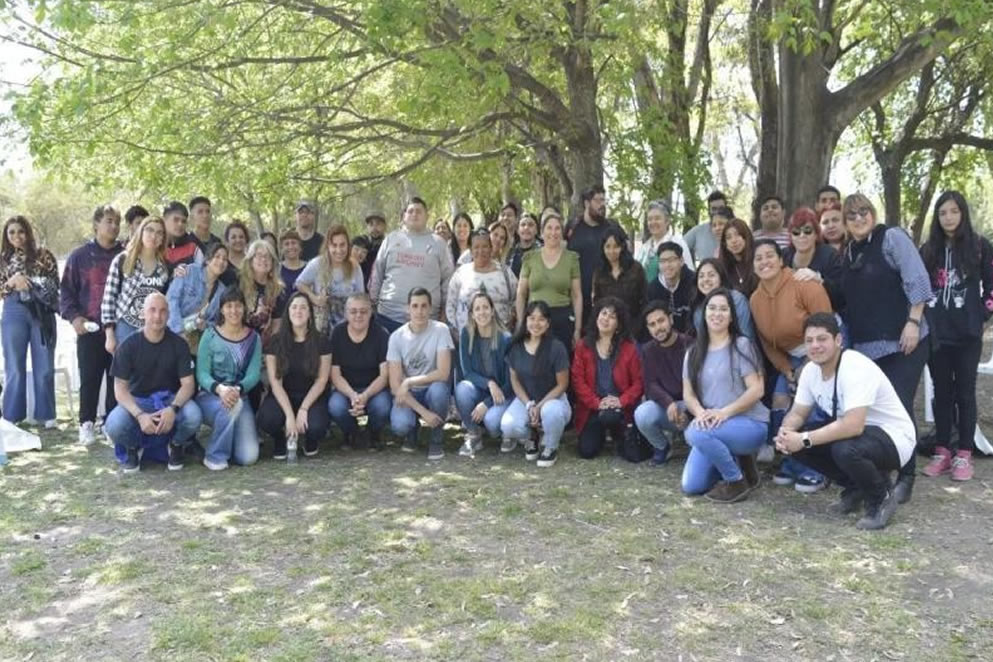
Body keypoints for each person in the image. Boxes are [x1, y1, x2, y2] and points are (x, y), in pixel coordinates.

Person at [775, 313, 915, 530]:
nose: (815, 346)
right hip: (860, 437)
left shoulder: (855, 367)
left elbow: (853, 425)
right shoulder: (810, 371)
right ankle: (856, 486)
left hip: (895, 439)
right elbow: (798, 413)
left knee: (844, 449)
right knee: (799, 439)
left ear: (838, 340)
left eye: (822, 339)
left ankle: (881, 498)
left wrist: (803, 439)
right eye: (809, 341)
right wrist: (786, 433)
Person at [840, 193, 930, 504]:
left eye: (864, 211)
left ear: (873, 212)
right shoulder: (849, 251)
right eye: (851, 215)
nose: (859, 218)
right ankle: (878, 478)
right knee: (874, 415)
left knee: (900, 408)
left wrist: (914, 321)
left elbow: (917, 279)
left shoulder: (891, 238)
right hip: (868, 350)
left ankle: (908, 475)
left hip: (904, 341)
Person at [919, 191, 993, 481]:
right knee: (942, 393)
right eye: (942, 213)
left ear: (962, 213)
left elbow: (991, 284)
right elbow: (918, 287)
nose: (948, 217)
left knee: (965, 391)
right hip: (937, 334)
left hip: (967, 334)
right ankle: (942, 451)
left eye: (953, 211)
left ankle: (964, 454)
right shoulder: (928, 250)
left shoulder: (979, 246)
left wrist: (983, 314)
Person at [750, 238, 833, 489]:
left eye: (769, 255)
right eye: (758, 258)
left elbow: (826, 325)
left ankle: (816, 467)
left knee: (809, 405)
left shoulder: (803, 284)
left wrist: (810, 362)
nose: (765, 261)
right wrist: (787, 371)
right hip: (789, 359)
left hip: (822, 350)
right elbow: (767, 343)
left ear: (780, 258)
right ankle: (792, 461)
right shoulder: (755, 299)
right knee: (780, 401)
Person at [681, 288, 768, 501]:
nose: (716, 313)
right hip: (714, 425)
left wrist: (724, 413)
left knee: (694, 433)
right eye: (712, 308)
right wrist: (700, 413)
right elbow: (688, 394)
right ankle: (743, 464)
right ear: (704, 313)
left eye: (723, 309)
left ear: (731, 316)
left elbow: (757, 390)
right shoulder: (692, 352)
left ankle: (735, 480)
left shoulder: (741, 345)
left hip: (749, 423)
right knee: (691, 486)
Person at [103, 293, 202, 472]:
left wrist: (173, 408)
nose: (158, 316)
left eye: (163, 311)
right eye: (152, 310)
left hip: (170, 399)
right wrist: (139, 415)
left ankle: (176, 445)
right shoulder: (127, 346)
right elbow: (120, 389)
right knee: (114, 424)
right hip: (138, 400)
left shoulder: (179, 344)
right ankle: (133, 448)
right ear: (143, 313)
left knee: (194, 415)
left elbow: (188, 384)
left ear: (169, 315)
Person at [60, 204, 125, 443]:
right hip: (90, 328)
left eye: (117, 222)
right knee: (90, 377)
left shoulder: (126, 255)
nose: (114, 226)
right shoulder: (79, 256)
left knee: (116, 376)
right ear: (96, 224)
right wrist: (75, 318)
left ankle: (111, 423)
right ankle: (86, 422)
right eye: (109, 221)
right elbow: (65, 292)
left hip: (119, 328)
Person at [257, 292, 332, 458]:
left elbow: (321, 380)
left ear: (310, 313)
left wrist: (304, 408)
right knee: (267, 419)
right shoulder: (275, 342)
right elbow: (275, 383)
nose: (298, 311)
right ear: (288, 312)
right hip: (283, 395)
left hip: (311, 396)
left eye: (303, 307)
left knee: (317, 425)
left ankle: (310, 440)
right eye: (294, 307)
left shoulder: (321, 341)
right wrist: (290, 416)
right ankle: (280, 438)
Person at [1, 215, 60, 427]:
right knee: (14, 365)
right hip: (13, 309)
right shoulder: (2, 258)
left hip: (40, 309)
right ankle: (11, 415)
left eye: (21, 231)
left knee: (44, 363)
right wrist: (10, 283)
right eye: (12, 232)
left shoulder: (43, 255)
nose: (17, 236)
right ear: (6, 236)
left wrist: (31, 283)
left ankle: (46, 414)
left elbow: (55, 284)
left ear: (28, 232)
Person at [195, 287, 262, 470]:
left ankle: (226, 435)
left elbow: (254, 374)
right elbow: (202, 373)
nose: (234, 310)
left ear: (244, 308)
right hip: (210, 397)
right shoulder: (209, 335)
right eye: (229, 306)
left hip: (241, 396)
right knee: (232, 406)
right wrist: (220, 389)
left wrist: (237, 389)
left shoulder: (253, 338)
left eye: (238, 306)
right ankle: (215, 456)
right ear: (222, 309)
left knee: (248, 457)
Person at [501, 301, 572, 467]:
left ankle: (550, 446)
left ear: (547, 323)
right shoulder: (515, 347)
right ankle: (530, 437)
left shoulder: (556, 348)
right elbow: (514, 380)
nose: (536, 323)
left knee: (551, 412)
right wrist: (529, 405)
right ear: (525, 320)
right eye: (532, 318)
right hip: (527, 400)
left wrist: (539, 406)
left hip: (553, 401)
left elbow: (562, 384)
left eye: (541, 319)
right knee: (508, 425)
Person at [571, 297, 643, 459]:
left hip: (620, 408)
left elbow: (638, 383)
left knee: (633, 456)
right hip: (593, 407)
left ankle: (621, 434)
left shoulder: (629, 348)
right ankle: (602, 434)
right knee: (587, 451)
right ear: (596, 316)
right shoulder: (583, 346)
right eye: (603, 313)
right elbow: (578, 381)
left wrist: (621, 401)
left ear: (619, 324)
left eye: (612, 316)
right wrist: (597, 403)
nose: (606, 319)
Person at [370, 197, 454, 332]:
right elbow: (377, 273)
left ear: (427, 216)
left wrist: (444, 313)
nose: (414, 214)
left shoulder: (439, 244)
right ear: (404, 216)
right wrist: (373, 303)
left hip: (427, 320)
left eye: (419, 211)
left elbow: (448, 281)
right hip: (388, 317)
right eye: (410, 211)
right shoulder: (391, 239)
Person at [388, 288, 454, 460]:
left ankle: (436, 438)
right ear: (407, 309)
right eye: (415, 306)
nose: (419, 311)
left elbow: (443, 373)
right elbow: (396, 385)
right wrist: (423, 411)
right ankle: (412, 431)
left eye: (424, 306)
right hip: (409, 394)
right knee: (400, 425)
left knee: (439, 390)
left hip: (431, 388)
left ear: (430, 308)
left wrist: (409, 380)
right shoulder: (396, 337)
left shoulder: (441, 330)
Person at [328, 293, 392, 449]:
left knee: (383, 406)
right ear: (346, 313)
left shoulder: (381, 334)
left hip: (374, 389)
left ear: (370, 313)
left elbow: (384, 375)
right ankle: (351, 432)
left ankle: (373, 433)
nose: (358, 315)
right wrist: (352, 395)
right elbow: (335, 374)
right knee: (335, 406)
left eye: (363, 311)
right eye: (353, 311)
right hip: (346, 389)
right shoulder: (337, 333)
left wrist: (365, 395)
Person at [454, 292, 513, 456]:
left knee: (492, 423)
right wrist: (489, 383)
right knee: (462, 389)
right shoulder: (467, 334)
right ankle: (474, 435)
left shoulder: (505, 339)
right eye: (477, 309)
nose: (482, 312)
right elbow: (467, 373)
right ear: (472, 314)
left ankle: (508, 433)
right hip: (482, 389)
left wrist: (487, 403)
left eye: (486, 307)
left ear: (493, 311)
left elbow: (510, 384)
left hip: (503, 393)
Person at [634, 301, 693, 464]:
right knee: (642, 414)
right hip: (667, 407)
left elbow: (701, 385)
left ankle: (692, 445)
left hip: (692, 407)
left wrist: (688, 412)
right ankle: (662, 446)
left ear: (671, 319)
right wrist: (668, 403)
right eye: (652, 324)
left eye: (661, 321)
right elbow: (650, 384)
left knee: (694, 440)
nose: (658, 328)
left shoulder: (690, 344)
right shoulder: (647, 350)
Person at [101, 216, 170, 353]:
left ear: (163, 238)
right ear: (141, 232)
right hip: (126, 327)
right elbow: (109, 298)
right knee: (126, 373)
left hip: (153, 330)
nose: (153, 236)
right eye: (149, 230)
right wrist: (109, 334)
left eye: (159, 232)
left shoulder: (165, 268)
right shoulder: (124, 260)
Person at [516, 209, 583, 351]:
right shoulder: (529, 258)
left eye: (557, 228)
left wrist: (577, 329)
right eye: (549, 228)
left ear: (562, 232)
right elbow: (521, 294)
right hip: (535, 320)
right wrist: (521, 323)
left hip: (562, 321)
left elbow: (577, 296)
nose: (553, 232)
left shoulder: (572, 258)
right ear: (542, 232)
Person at [567, 185, 628, 322]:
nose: (602, 205)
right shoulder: (572, 227)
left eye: (604, 200)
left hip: (607, 300)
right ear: (587, 203)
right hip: (577, 298)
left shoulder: (612, 227)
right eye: (598, 201)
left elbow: (626, 257)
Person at [446, 227, 518, 336]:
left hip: (500, 338)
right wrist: (455, 330)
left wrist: (511, 321)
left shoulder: (505, 272)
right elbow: (451, 304)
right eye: (476, 247)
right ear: (470, 250)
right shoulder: (461, 273)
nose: (481, 251)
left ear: (490, 248)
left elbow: (516, 299)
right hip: (467, 339)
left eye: (485, 246)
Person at [295, 224, 365, 335]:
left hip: (349, 327)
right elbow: (299, 283)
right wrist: (314, 297)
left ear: (348, 246)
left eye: (342, 245)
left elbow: (361, 297)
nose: (339, 250)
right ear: (328, 246)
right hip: (322, 328)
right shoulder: (317, 264)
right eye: (334, 245)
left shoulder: (354, 267)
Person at [166, 242, 229, 352]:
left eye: (225, 259)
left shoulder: (222, 291)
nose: (221, 261)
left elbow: (217, 321)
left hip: (196, 343)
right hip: (171, 332)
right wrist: (178, 331)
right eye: (217, 256)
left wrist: (205, 325)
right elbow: (171, 299)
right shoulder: (189, 271)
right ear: (208, 259)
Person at [782, 207, 843, 308]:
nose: (802, 235)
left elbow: (840, 296)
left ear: (816, 234)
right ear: (791, 236)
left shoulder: (830, 255)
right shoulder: (784, 255)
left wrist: (820, 279)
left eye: (808, 230)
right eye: (796, 232)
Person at [592, 226, 646, 326]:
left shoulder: (636, 269)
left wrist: (639, 325)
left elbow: (645, 299)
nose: (611, 251)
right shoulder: (599, 272)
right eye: (607, 246)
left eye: (616, 246)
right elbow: (597, 304)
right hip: (607, 327)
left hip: (633, 326)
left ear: (622, 247)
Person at [690, 258, 755, 341]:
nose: (705, 279)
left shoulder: (737, 300)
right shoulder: (698, 310)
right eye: (701, 276)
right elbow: (702, 342)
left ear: (721, 277)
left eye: (711, 275)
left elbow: (747, 337)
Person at [238, 238, 286, 341]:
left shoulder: (277, 289)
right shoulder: (239, 283)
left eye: (268, 256)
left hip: (263, 346)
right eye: (259, 256)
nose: (264, 259)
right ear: (250, 260)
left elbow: (276, 326)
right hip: (237, 342)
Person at [645, 241, 695, 334]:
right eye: (662, 261)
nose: (667, 265)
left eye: (671, 260)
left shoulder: (694, 282)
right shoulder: (653, 288)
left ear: (681, 261)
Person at [635, 200, 691, 282]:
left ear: (667, 221)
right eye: (650, 219)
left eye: (657, 218)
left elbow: (689, 274)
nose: (653, 222)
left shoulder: (678, 243)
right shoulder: (644, 249)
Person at [684, 190, 728, 264]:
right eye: (714, 209)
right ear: (708, 210)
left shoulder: (736, 230)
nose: (717, 212)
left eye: (721, 208)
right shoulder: (698, 231)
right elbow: (677, 247)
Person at [718, 218, 759, 297]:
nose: (734, 241)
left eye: (737, 235)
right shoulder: (723, 267)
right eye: (728, 237)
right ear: (725, 243)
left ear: (746, 237)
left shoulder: (757, 260)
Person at [162, 201, 203, 269]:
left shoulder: (193, 247)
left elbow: (201, 274)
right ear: (164, 220)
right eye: (176, 220)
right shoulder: (155, 244)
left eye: (183, 221)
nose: (180, 224)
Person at [508, 212, 542, 278]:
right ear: (517, 230)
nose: (526, 228)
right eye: (523, 225)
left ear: (536, 230)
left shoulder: (544, 251)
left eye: (530, 225)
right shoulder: (510, 252)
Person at [360, 213, 387, 286]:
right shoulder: (361, 245)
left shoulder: (388, 246)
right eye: (371, 224)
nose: (374, 228)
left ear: (384, 226)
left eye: (378, 224)